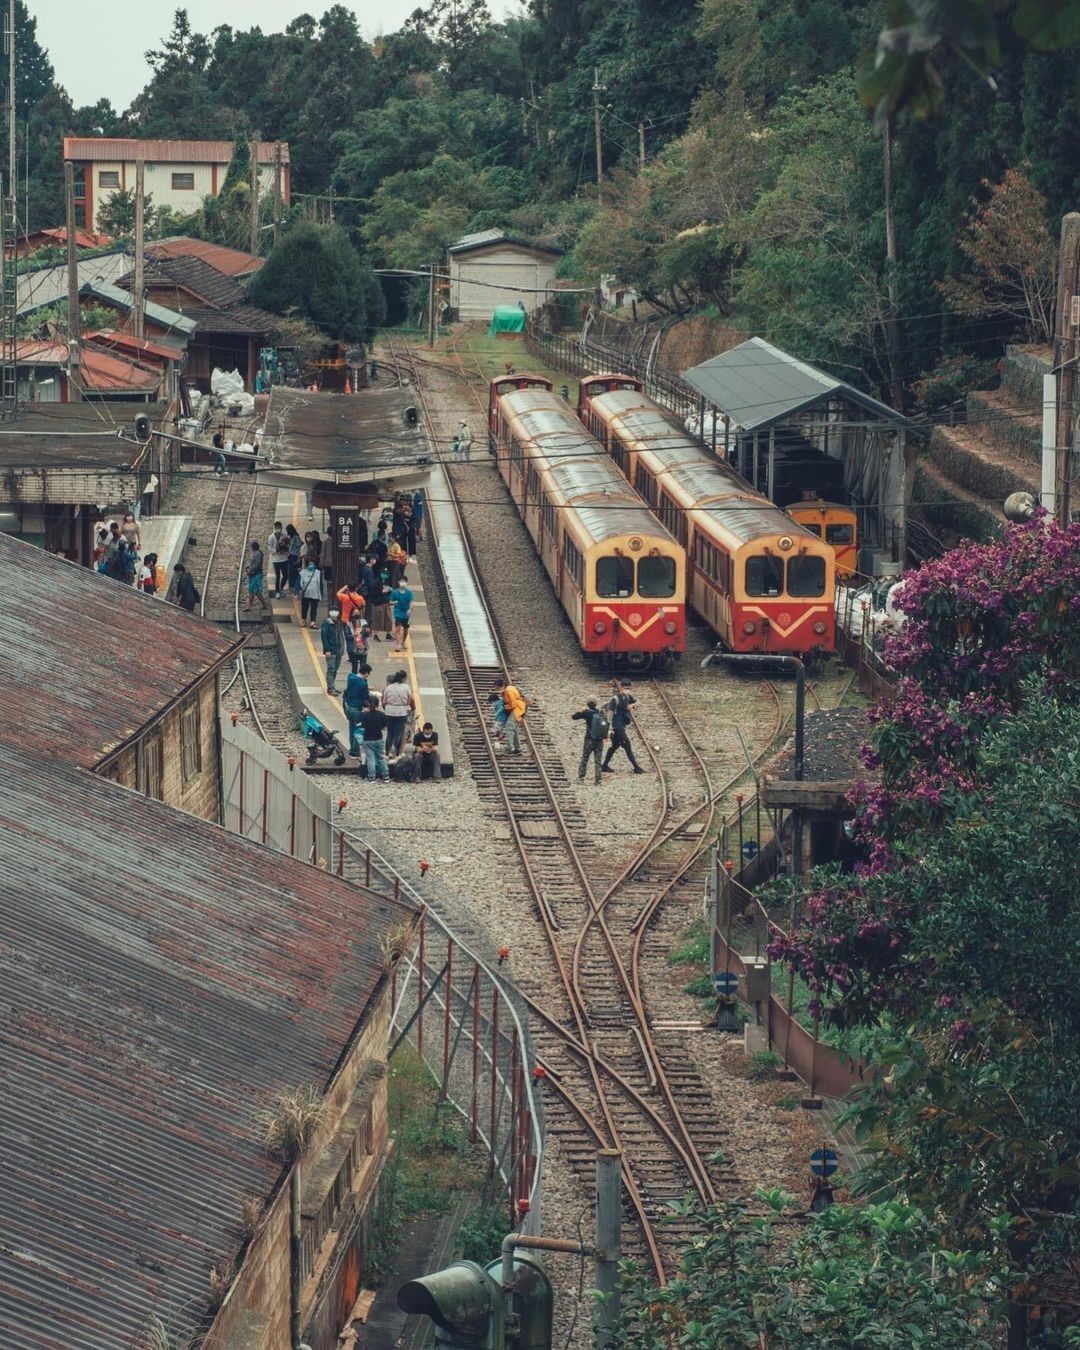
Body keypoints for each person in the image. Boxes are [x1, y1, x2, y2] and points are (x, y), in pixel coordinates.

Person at [603, 681, 645, 774]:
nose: (627, 690)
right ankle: (636, 767)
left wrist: (632, 705)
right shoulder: (615, 699)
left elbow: (638, 702)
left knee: (614, 746)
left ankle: (604, 766)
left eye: (629, 688)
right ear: (621, 688)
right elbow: (610, 713)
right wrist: (609, 728)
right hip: (616, 726)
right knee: (627, 744)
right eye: (626, 688)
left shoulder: (627, 697)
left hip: (622, 725)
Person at [572, 698, 609, 786]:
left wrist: (581, 710)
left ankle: (581, 777)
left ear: (588, 704)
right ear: (596, 704)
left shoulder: (587, 713)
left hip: (589, 739)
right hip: (599, 740)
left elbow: (574, 717)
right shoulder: (600, 713)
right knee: (598, 760)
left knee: (585, 758)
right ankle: (598, 780)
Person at [382, 669, 415, 758]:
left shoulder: (389, 688)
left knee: (390, 733)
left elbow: (384, 701)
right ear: (404, 678)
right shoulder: (406, 687)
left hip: (389, 711)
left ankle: (387, 752)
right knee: (399, 733)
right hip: (401, 712)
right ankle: (397, 753)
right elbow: (408, 701)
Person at [358, 696, 390, 782]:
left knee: (370, 758)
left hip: (368, 739)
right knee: (380, 758)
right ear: (377, 704)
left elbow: (362, 727)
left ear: (368, 704)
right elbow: (384, 727)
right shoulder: (381, 715)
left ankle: (372, 776)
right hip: (378, 738)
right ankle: (385, 776)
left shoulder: (365, 715)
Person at [343, 664, 371, 756]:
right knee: (357, 730)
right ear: (366, 673)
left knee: (351, 728)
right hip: (356, 709)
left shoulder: (350, 677)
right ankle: (355, 752)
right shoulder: (363, 684)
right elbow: (365, 697)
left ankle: (351, 748)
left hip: (348, 707)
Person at [494, 678, 527, 755]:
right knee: (514, 729)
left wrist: (504, 707)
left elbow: (513, 704)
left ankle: (509, 749)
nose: (497, 690)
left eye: (497, 688)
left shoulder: (508, 691)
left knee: (509, 727)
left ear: (502, 686)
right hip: (519, 709)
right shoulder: (508, 689)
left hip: (517, 710)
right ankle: (517, 748)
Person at [320, 606, 346, 694]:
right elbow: (324, 637)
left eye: (336, 611)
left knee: (335, 669)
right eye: (332, 611)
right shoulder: (326, 623)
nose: (334, 613)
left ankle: (332, 686)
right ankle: (331, 688)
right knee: (331, 669)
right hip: (331, 650)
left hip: (339, 650)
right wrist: (327, 650)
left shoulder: (338, 623)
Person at [389, 576, 413, 652]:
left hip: (406, 613)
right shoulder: (394, 592)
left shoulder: (409, 593)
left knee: (405, 628)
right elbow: (390, 601)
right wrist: (393, 602)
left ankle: (403, 642)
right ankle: (398, 644)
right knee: (398, 627)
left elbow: (411, 602)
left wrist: (410, 609)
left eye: (404, 581)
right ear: (398, 582)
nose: (402, 582)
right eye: (401, 581)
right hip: (397, 612)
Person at [243, 539, 267, 612]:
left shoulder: (258, 554)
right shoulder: (256, 553)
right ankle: (249, 606)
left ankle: (263, 604)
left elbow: (257, 565)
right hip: (253, 574)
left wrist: (250, 570)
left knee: (256, 590)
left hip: (256, 574)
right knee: (251, 590)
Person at [299, 558, 323, 627]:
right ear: (307, 565)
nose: (311, 565)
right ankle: (303, 620)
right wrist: (296, 592)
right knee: (304, 607)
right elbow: (299, 583)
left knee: (314, 608)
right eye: (310, 564)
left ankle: (313, 622)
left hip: (315, 593)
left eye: (313, 564)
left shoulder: (318, 573)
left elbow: (320, 584)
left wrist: (321, 593)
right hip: (306, 593)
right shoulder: (303, 573)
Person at [268, 522, 290, 596]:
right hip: (276, 560)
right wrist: (276, 550)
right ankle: (277, 591)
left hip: (284, 558)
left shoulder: (284, 536)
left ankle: (281, 588)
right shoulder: (271, 537)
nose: (279, 529)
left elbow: (288, 544)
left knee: (286, 575)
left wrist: (285, 546)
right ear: (275, 528)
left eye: (280, 527)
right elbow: (269, 548)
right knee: (277, 576)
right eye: (277, 527)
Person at [286, 523, 303, 593]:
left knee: (293, 572)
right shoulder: (292, 538)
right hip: (291, 556)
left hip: (295, 556)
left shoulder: (296, 537)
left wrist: (298, 558)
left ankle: (293, 587)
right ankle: (293, 587)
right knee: (291, 572)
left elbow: (299, 548)